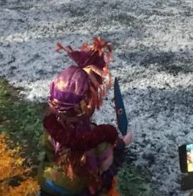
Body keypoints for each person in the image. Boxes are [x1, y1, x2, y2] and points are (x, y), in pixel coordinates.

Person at [38, 39, 129, 196]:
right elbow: (105, 174)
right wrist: (121, 146)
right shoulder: (98, 140)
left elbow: (50, 152)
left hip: (47, 184)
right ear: (88, 102)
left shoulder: (50, 130)